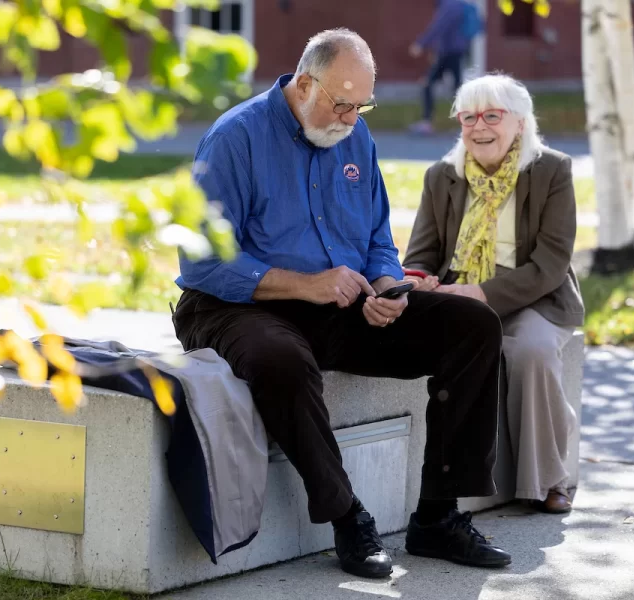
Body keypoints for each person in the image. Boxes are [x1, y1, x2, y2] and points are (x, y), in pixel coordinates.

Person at [172, 28, 512, 579]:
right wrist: (304, 284)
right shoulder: (235, 137)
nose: (352, 119)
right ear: (305, 84)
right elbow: (201, 263)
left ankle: (438, 518)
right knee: (281, 359)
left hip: (341, 302)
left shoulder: (354, 135)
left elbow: (377, 234)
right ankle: (348, 518)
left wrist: (384, 285)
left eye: (361, 105)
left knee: (472, 324)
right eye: (342, 103)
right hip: (238, 305)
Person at [402, 73, 585, 514]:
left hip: (533, 295)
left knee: (533, 352)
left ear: (520, 123)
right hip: (457, 291)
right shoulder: (441, 176)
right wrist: (420, 278)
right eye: (468, 117)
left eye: (492, 116)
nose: (478, 127)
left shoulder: (551, 171)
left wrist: (480, 294)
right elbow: (422, 254)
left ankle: (548, 481)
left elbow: (551, 264)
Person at [408, 0, 480, 135]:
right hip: (457, 51)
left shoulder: (450, 5)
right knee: (457, 88)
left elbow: (439, 27)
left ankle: (427, 122)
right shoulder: (458, 5)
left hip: (448, 53)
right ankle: (470, 122)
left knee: (428, 83)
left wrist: (421, 44)